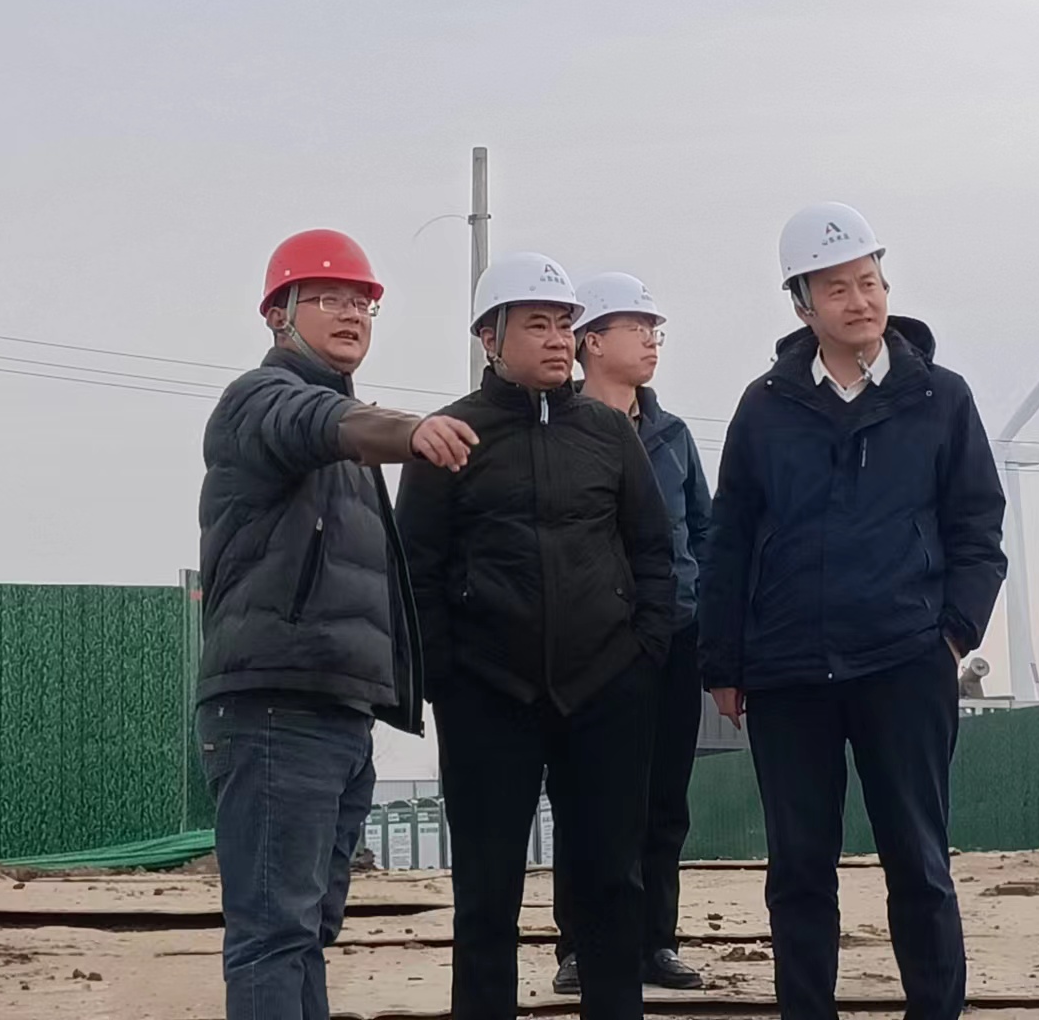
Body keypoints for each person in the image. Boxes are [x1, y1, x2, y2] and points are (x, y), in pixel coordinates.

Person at [699, 203, 1007, 1020]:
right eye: (837, 288)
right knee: (799, 868)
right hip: (788, 668)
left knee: (919, 860)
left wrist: (953, 634)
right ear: (802, 304)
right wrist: (723, 662)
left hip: (905, 661)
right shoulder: (765, 407)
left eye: (869, 282)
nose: (860, 301)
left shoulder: (940, 398)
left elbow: (977, 525)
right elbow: (729, 537)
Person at [196, 229, 477, 1020]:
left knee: (308, 928)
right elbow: (313, 419)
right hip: (275, 706)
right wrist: (408, 431)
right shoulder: (262, 401)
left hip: (338, 709)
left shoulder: (347, 443)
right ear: (277, 315)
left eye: (363, 303)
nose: (351, 314)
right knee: (274, 931)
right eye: (327, 298)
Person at [396, 252, 674, 1020]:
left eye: (564, 325)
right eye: (537, 325)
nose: (557, 340)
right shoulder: (452, 436)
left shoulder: (609, 434)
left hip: (606, 690)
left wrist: (643, 656)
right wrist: (446, 676)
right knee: (487, 892)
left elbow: (653, 551)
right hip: (489, 695)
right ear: (490, 337)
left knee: (611, 883)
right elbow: (416, 566)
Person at [551, 273, 711, 996]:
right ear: (592, 341)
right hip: (592, 645)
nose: (651, 341)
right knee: (586, 799)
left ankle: (655, 942)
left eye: (655, 329)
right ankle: (580, 946)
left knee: (664, 801)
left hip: (673, 637)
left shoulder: (673, 436)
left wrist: (699, 611)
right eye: (636, 328)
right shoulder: (558, 428)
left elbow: (703, 531)